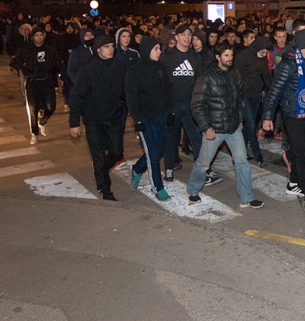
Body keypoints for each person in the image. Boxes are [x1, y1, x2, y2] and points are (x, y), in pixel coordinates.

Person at [262, 28, 305, 211]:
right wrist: (268, 117)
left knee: (302, 148)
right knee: (302, 154)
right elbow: (274, 92)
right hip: (292, 114)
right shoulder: (288, 64)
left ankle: (293, 181)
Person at [186, 43, 263, 209]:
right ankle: (192, 190)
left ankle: (247, 198)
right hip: (215, 128)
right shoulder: (207, 77)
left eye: (231, 55)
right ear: (218, 57)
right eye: (226, 55)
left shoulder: (235, 74)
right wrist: (206, 127)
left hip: (233, 126)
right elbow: (197, 104)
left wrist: (240, 119)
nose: (229, 59)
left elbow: (239, 100)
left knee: (242, 161)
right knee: (204, 163)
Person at [68, 34, 126, 201]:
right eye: (107, 47)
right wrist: (74, 122)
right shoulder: (88, 69)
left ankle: (100, 171)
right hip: (93, 120)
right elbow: (76, 96)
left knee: (116, 152)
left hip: (113, 117)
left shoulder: (118, 66)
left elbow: (124, 90)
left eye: (112, 47)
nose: (111, 50)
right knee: (98, 155)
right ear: (98, 49)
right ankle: (105, 189)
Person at [161, 24, 219, 185]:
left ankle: (203, 170)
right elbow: (162, 81)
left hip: (190, 104)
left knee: (196, 138)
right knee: (171, 137)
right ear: (177, 37)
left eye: (189, 35)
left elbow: (200, 79)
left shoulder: (195, 56)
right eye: (183, 35)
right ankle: (169, 167)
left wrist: (201, 102)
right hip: (172, 104)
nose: (187, 38)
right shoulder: (167, 56)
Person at [126, 36, 172, 199]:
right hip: (146, 118)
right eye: (156, 49)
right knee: (152, 153)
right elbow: (131, 97)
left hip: (161, 115)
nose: (160, 52)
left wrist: (170, 111)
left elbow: (167, 90)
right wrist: (137, 120)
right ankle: (157, 188)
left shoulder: (160, 67)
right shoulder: (134, 71)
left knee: (159, 151)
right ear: (147, 51)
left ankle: (137, 169)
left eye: (160, 48)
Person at [11, 26, 61, 144]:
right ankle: (34, 133)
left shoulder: (49, 48)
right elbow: (15, 62)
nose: (39, 37)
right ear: (33, 37)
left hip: (47, 80)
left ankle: (42, 121)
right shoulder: (25, 48)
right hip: (32, 81)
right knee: (33, 108)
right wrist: (25, 67)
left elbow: (57, 60)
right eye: (37, 35)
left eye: (41, 35)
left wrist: (55, 68)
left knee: (50, 106)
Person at [236, 34, 271, 167]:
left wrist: (273, 90)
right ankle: (258, 156)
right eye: (263, 52)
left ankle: (240, 153)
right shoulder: (243, 56)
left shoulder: (262, 58)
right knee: (250, 124)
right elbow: (237, 76)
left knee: (249, 127)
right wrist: (239, 97)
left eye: (266, 53)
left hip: (256, 95)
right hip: (244, 94)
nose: (264, 54)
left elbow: (266, 75)